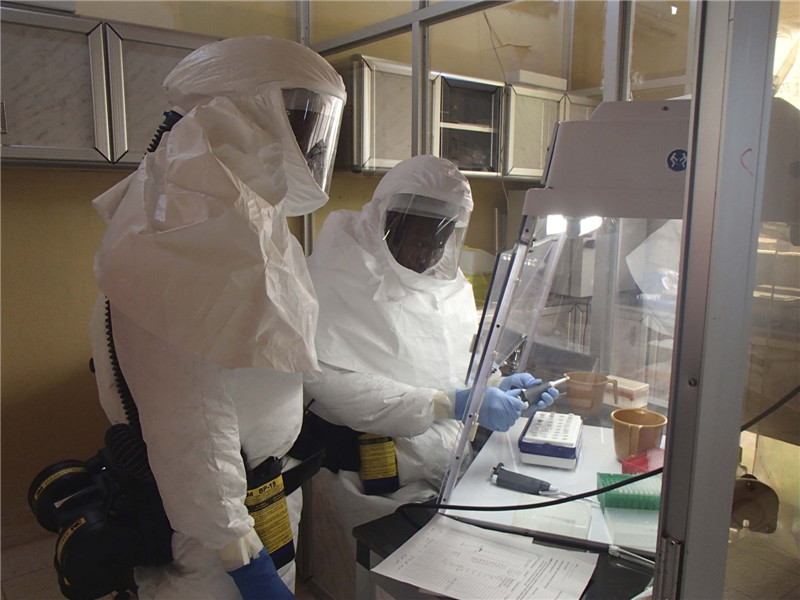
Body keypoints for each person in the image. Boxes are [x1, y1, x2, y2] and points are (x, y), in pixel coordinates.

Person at [88, 36, 346, 599]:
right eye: (298, 121)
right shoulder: (173, 235)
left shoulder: (247, 221)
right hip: (213, 535)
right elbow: (188, 423)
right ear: (243, 112)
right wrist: (238, 554)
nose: (307, 144)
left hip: (259, 494)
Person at [302, 155, 558, 560]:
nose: (429, 256)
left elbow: (451, 365)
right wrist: (446, 403)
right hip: (368, 481)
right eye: (422, 242)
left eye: (440, 243)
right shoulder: (335, 277)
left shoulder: (447, 288)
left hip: (442, 468)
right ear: (388, 224)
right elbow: (328, 385)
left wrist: (493, 384)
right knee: (376, 574)